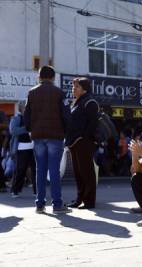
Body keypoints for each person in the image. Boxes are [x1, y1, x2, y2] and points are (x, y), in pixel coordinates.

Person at [24, 65, 71, 214]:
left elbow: (26, 115)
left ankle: (40, 204)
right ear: (53, 77)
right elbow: (66, 115)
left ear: (39, 76)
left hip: (37, 136)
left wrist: (31, 130)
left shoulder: (31, 93)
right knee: (54, 170)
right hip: (55, 136)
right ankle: (57, 204)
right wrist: (65, 132)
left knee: (40, 170)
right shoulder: (59, 93)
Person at [65, 77, 98, 209]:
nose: (73, 89)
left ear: (84, 88)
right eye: (73, 87)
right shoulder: (77, 102)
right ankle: (80, 198)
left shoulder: (90, 102)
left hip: (83, 142)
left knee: (87, 172)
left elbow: (92, 124)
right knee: (78, 172)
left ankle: (89, 201)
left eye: (76, 87)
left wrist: (83, 138)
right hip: (74, 142)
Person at [9, 101, 36, 197]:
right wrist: (27, 129)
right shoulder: (16, 118)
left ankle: (36, 191)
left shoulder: (33, 118)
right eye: (26, 107)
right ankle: (15, 190)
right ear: (21, 108)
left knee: (35, 170)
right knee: (20, 170)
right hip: (21, 148)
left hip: (33, 147)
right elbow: (13, 131)